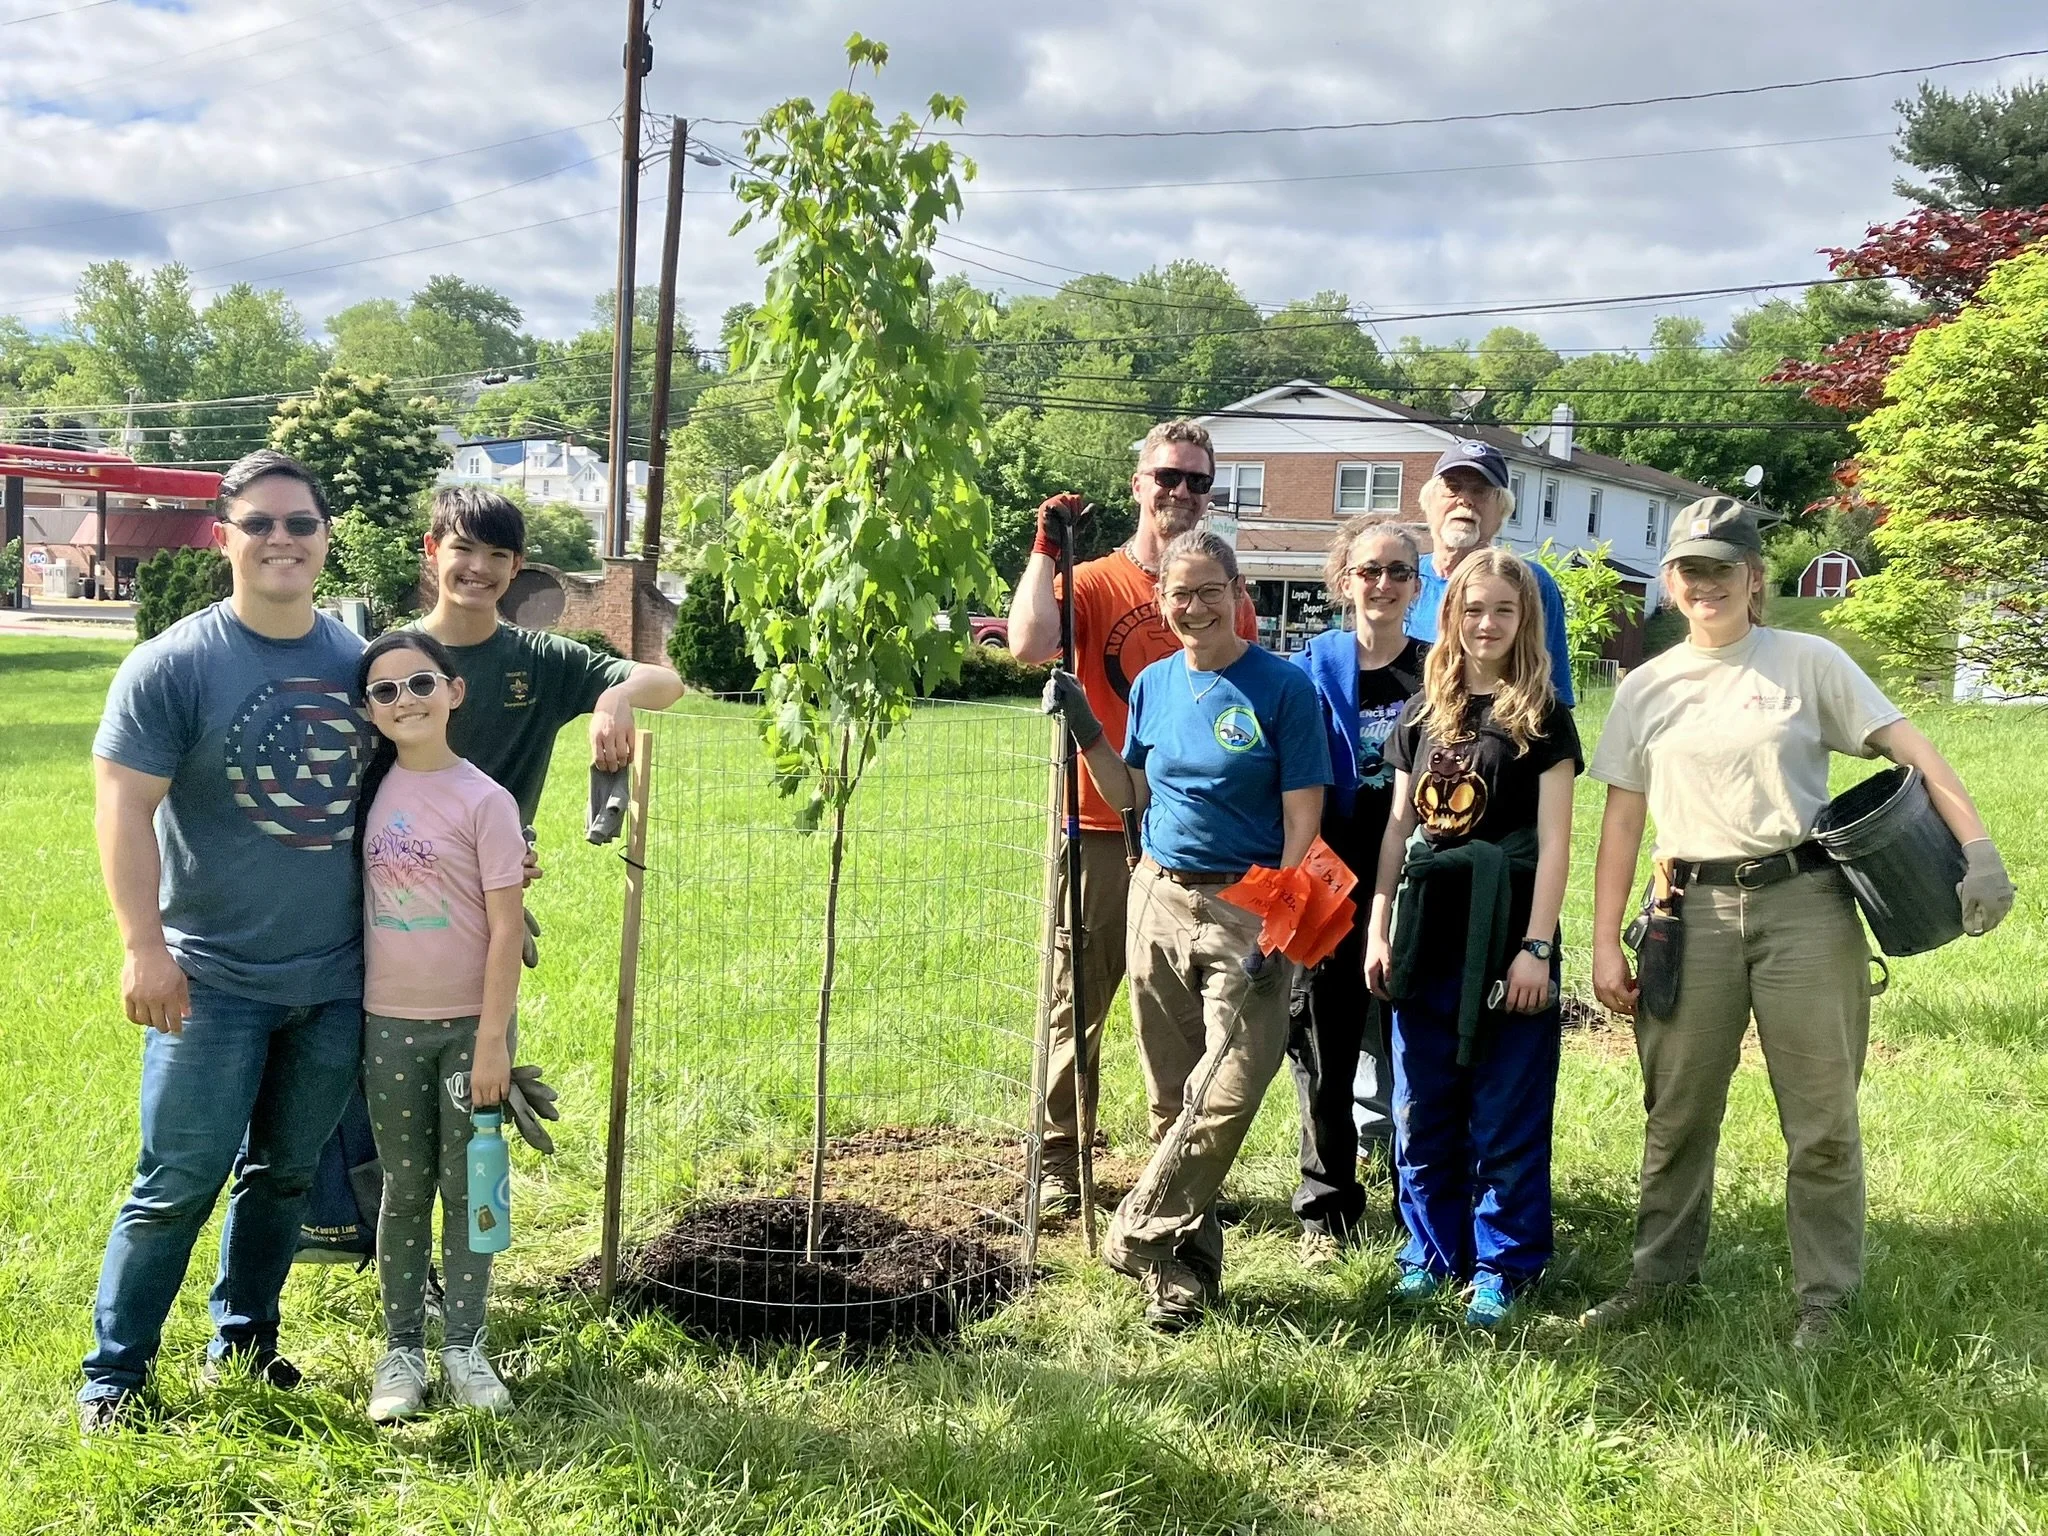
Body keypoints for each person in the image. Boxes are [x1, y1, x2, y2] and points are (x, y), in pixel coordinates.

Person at [1580, 497, 2016, 1350]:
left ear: (1754, 579)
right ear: (1670, 583)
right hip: (1687, 912)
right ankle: (1659, 1282)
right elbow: (1623, 822)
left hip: (1805, 905)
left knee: (1821, 1120)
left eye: (1722, 568)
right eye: (1690, 569)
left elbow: (1912, 749)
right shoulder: (1645, 686)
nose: (1706, 584)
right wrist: (1602, 941)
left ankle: (1827, 1299)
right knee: (1676, 1113)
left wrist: (1978, 846)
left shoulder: (1807, 661)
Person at [80, 450, 367, 1433]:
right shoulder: (173, 666)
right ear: (224, 537)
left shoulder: (359, 661)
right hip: (210, 982)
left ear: (326, 537)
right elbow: (122, 810)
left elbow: (416, 786)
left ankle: (243, 1345)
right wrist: (143, 948)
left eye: (301, 523)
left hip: (337, 980)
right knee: (176, 1182)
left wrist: (500, 863)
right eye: (261, 524)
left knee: (284, 1173)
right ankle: (113, 1380)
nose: (282, 539)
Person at [1043, 530, 1332, 1329]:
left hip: (1247, 908)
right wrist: (1086, 730)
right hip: (1158, 898)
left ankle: (1136, 1230)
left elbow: (1303, 813)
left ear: (1238, 594)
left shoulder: (1282, 688)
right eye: (1180, 594)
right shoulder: (1156, 684)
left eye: (1211, 591)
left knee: (1230, 1090)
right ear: (1162, 603)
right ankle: (1183, 1279)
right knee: (1172, 1098)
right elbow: (1130, 791)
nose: (1195, 607)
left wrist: (1282, 917)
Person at [1005, 420, 1257, 1216]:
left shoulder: (1221, 595)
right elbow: (1026, 644)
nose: (1182, 493)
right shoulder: (1098, 580)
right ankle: (1056, 1161)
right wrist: (1047, 546)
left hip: (1193, 844)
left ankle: (1175, 1167)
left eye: (1197, 482)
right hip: (1100, 828)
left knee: (1181, 1016)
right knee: (1076, 998)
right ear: (1138, 485)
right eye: (1168, 477)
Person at [1365, 548, 1582, 1329]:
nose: (1486, 624)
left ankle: (1503, 1264)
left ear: (1525, 623)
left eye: (1503, 611)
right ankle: (1430, 1252)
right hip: (1428, 934)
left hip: (1505, 935)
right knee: (1423, 1107)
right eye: (1472, 609)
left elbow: (1556, 843)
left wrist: (1537, 947)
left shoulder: (1542, 717)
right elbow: (1397, 829)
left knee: (1505, 1110)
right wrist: (1378, 923)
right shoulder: (1424, 715)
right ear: (1449, 617)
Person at [353, 631, 527, 1421]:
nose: (405, 701)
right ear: (370, 712)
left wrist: (492, 1044)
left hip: (470, 1031)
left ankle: (466, 1345)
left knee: (471, 1187)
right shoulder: (368, 793)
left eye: (419, 682)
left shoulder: (485, 800)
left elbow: (503, 931)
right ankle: (402, 1352)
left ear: (453, 691)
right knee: (404, 1187)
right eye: (385, 692)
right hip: (388, 1025)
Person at [1286, 515, 1427, 1265]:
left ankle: (1426, 1206)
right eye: (1368, 569)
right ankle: (1326, 1214)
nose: (1382, 583)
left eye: (1398, 571)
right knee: (1323, 1051)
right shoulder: (1310, 670)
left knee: (1422, 1052)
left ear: (1416, 584)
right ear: (1343, 580)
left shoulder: (1441, 674)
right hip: (1326, 880)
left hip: (1420, 882)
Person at [414, 487, 684, 827]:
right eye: (463, 548)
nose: (479, 567)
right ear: (432, 548)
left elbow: (668, 684)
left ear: (516, 565)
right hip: (402, 862)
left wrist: (616, 696)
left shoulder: (540, 659)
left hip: (500, 869)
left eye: (498, 554)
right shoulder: (395, 656)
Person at [1406, 440, 1576, 707]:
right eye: (1452, 488)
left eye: (1481, 490)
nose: (1466, 500)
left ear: (1502, 512)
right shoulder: (1401, 576)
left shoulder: (1530, 582)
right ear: (1428, 503)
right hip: (1409, 736)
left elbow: (1554, 695)